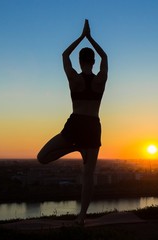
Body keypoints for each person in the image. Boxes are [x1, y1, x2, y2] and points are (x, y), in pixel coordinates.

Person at [37, 19, 108, 225]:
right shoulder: (100, 79)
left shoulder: (74, 79)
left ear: (80, 61)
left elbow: (64, 55)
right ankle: (81, 218)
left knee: (42, 157)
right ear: (93, 61)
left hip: (75, 125)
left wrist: (81, 37)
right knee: (88, 176)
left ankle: (73, 149)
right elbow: (105, 56)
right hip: (93, 127)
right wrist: (91, 38)